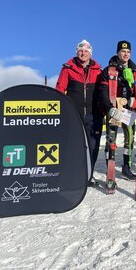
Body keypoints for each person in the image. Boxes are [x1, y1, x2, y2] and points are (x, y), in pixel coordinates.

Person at [56, 40, 103, 186]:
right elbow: (59, 90)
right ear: (77, 52)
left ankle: (89, 174)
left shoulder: (98, 70)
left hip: (94, 114)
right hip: (74, 114)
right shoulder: (68, 68)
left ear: (90, 53)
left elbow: (104, 92)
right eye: (81, 50)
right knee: (75, 144)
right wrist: (62, 110)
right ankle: (75, 174)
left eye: (86, 51)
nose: (83, 53)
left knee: (93, 145)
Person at [100, 40, 136, 180]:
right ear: (117, 52)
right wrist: (109, 108)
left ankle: (126, 167)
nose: (126, 54)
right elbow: (103, 91)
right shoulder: (109, 70)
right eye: (123, 51)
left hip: (128, 110)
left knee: (130, 138)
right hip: (113, 109)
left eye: (128, 52)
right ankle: (110, 168)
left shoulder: (135, 71)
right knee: (112, 139)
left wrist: (135, 99)